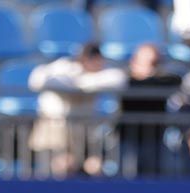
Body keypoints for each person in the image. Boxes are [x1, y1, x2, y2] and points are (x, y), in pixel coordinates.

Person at [28, 43, 127, 179]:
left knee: (94, 166)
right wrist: (74, 84)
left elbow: (119, 79)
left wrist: (81, 83)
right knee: (61, 165)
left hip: (82, 130)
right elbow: (37, 80)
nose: (99, 64)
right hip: (56, 126)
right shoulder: (63, 67)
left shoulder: (99, 74)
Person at [117, 44, 182, 178]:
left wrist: (150, 78)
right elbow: (132, 85)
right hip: (129, 140)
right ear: (134, 62)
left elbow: (176, 80)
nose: (151, 67)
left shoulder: (165, 80)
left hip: (154, 140)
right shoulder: (123, 80)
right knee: (128, 178)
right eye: (147, 62)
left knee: (153, 178)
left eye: (155, 63)